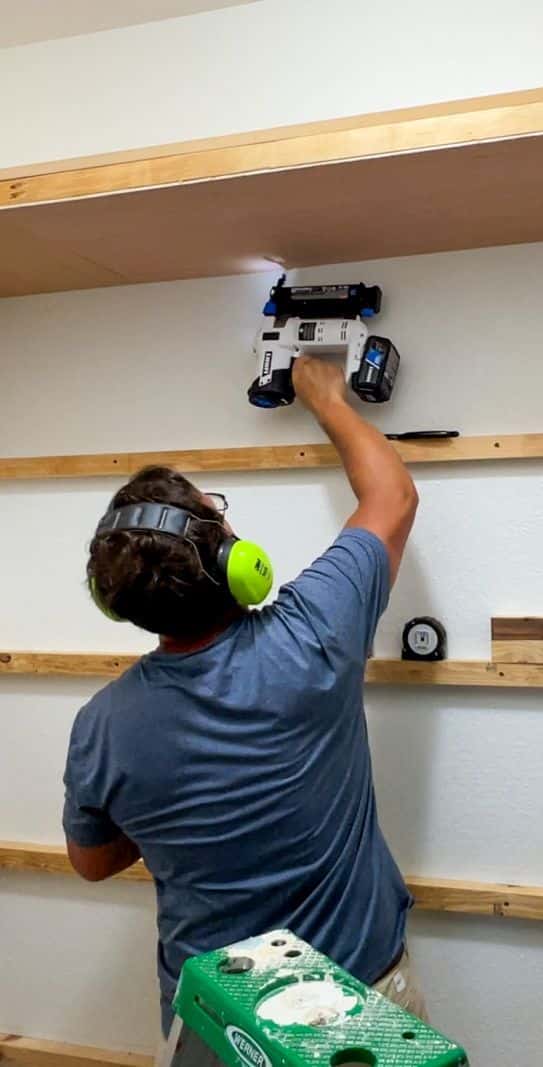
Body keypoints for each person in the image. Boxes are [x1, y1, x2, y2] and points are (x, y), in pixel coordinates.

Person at [61, 356, 424, 1049]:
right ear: (234, 559)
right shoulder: (313, 633)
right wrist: (326, 398)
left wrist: (178, 806)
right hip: (354, 1004)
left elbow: (92, 860)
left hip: (212, 1018)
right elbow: (393, 496)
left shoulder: (102, 725)